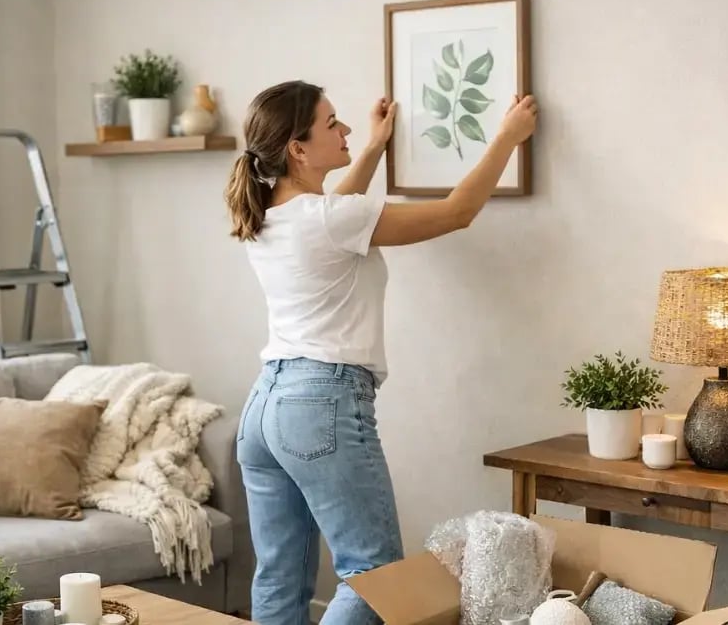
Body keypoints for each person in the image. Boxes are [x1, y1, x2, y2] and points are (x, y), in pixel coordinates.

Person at [224, 80, 538, 624]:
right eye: (332, 123)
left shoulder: (268, 215)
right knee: (377, 573)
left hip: (265, 408)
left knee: (279, 573)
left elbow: (337, 213)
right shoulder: (328, 219)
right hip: (320, 404)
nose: (344, 128)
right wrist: (508, 138)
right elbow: (457, 212)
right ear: (297, 149)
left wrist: (371, 147)